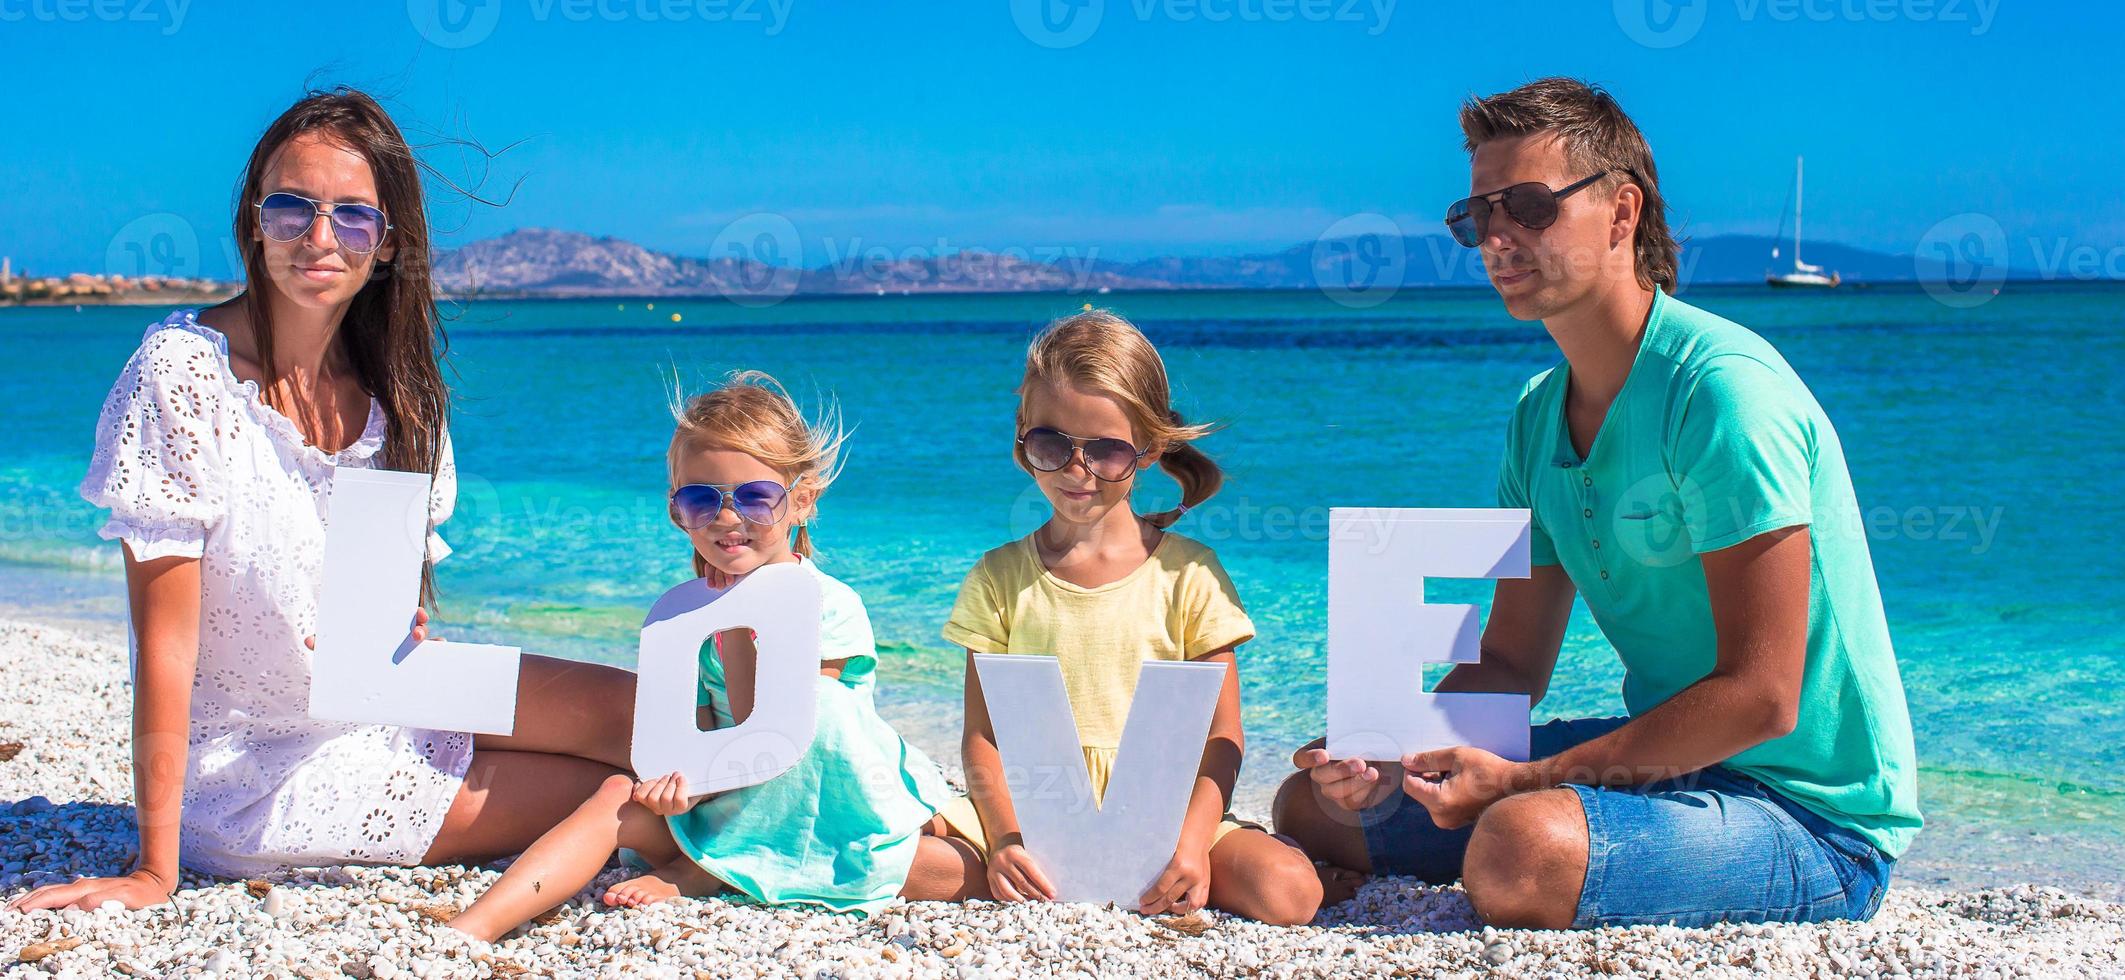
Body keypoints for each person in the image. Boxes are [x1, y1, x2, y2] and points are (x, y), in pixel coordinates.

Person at [1276, 77, 1921, 930]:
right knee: (1312, 809)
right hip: (1671, 762)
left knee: (1519, 848)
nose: (1497, 237)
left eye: (1529, 207)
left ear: (1621, 214)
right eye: (1477, 217)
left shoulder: (1720, 394)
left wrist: (1523, 782)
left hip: (1808, 815)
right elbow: (1511, 665)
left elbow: (1764, 696)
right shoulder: (1538, 414)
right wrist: (1387, 743)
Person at [7, 88, 636, 913]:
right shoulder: (182, 373)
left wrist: (394, 623)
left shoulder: (399, 398)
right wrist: (154, 870)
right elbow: (166, 647)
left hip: (388, 700)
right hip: (252, 775)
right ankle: (682, 859)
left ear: (385, 244)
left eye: (353, 217)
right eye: (291, 207)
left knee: (658, 720)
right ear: (251, 219)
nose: (319, 237)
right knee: (617, 790)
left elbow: (372, 624)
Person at [447, 371, 982, 942]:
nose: (727, 519)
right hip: (729, 805)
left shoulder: (829, 604)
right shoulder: (684, 616)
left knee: (973, 867)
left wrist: (734, 627)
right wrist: (682, 783)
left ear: (799, 502)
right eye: (702, 499)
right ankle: (468, 932)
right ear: (679, 510)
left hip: (826, 810)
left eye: (754, 498)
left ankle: (703, 872)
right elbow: (697, 726)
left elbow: (786, 733)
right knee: (614, 797)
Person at [937, 310, 1331, 926]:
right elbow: (981, 738)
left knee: (1289, 894)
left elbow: (1222, 738)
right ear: (1022, 439)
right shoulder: (998, 578)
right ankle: (1022, 871)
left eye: (1107, 451)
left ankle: (1215, 868)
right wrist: (1006, 839)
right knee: (911, 861)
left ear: (1149, 450)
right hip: (1035, 813)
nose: (1077, 470)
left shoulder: (1190, 576)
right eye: (1051, 444)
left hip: (1164, 811)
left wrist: (1193, 846)